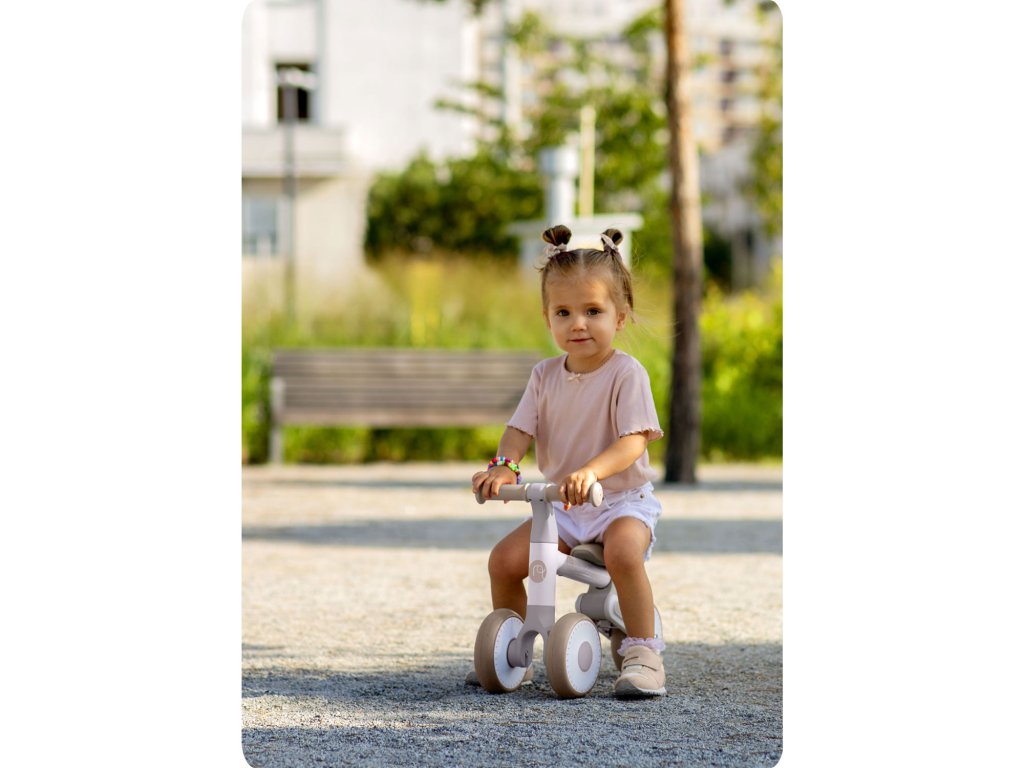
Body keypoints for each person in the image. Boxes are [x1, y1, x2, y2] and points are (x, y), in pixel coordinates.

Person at [470, 224, 667, 698]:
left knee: (623, 553)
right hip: (563, 504)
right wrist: (505, 466)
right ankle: (513, 649)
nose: (578, 323)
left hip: (620, 500)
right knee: (504, 561)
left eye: (593, 311)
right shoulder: (544, 376)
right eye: (564, 312)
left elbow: (634, 441)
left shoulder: (626, 374)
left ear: (620, 316)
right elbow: (520, 429)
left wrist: (592, 471)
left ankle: (643, 652)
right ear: (548, 319)